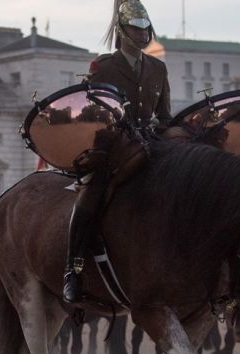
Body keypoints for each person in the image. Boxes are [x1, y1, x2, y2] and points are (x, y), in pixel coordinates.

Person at [62, 0, 172, 303]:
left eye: (145, 29)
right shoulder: (104, 66)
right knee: (91, 195)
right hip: (112, 148)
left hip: (151, 145)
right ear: (123, 32)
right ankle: (73, 267)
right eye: (136, 29)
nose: (142, 34)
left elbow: (165, 116)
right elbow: (90, 111)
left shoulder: (158, 68)